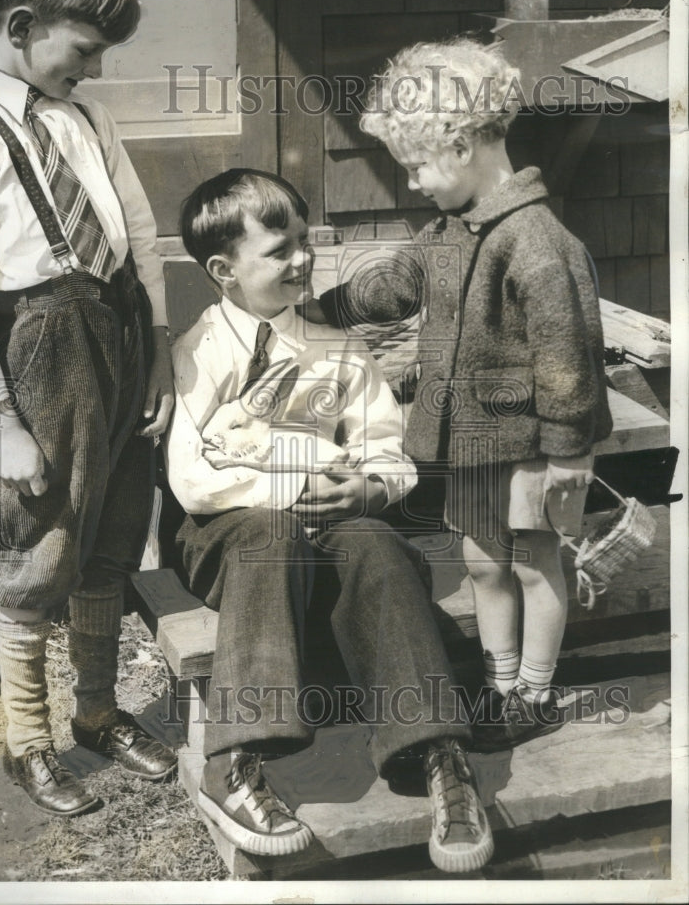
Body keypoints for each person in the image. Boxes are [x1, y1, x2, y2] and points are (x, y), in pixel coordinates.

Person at [165, 168, 494, 873]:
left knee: (375, 542)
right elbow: (193, 480)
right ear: (224, 271)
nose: (303, 259)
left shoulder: (337, 349)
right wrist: (288, 483)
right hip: (229, 532)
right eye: (279, 250)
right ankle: (236, 757)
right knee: (268, 532)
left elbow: (391, 454)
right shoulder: (200, 353)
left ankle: (435, 751)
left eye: (305, 242)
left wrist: (369, 491)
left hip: (333, 523)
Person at [0, 0, 177, 817]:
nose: (96, 70)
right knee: (35, 545)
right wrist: (0, 424)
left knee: (109, 532)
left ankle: (97, 710)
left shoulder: (87, 118)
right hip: (37, 356)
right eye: (85, 51)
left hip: (116, 334)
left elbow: (138, 232)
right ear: (23, 25)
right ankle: (27, 740)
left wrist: (159, 352)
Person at [310, 39, 613, 749]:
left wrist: (569, 457)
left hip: (533, 447)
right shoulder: (449, 231)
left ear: (464, 143)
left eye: (416, 165)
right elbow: (391, 284)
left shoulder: (537, 242)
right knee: (481, 561)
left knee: (534, 563)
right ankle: (499, 682)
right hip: (469, 442)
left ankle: (533, 695)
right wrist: (319, 307)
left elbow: (568, 357)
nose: (411, 181)